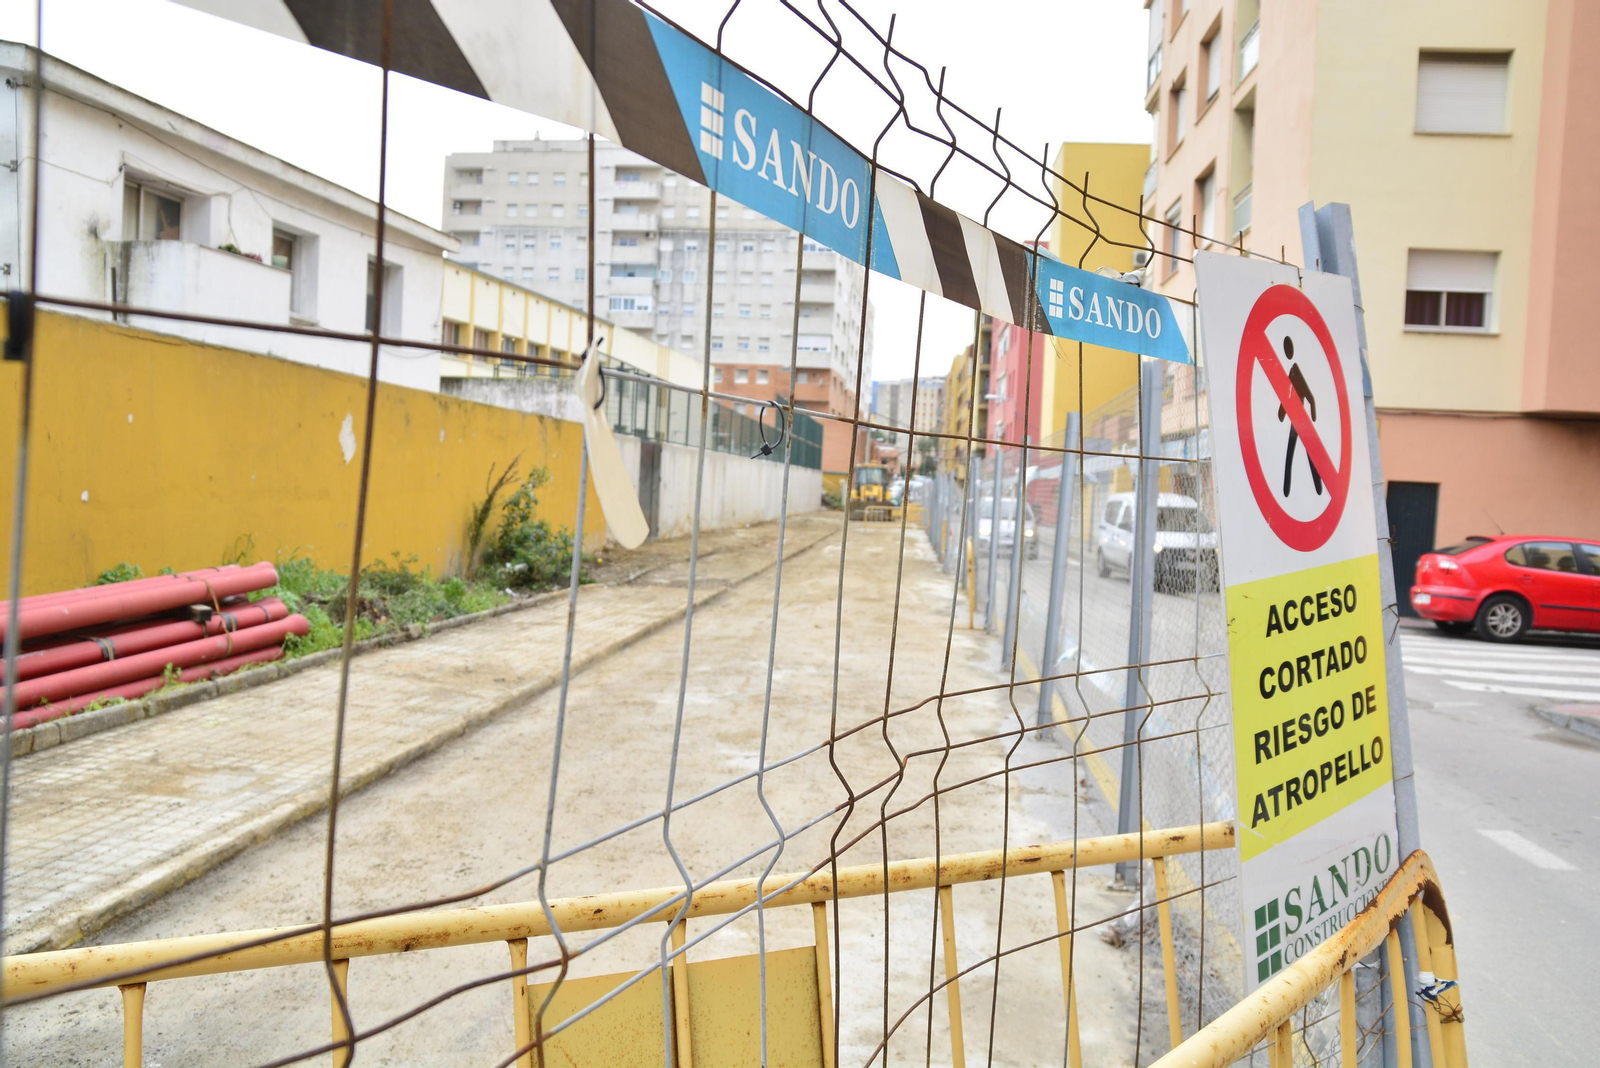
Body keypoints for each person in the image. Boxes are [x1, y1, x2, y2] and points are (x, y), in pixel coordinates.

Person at [1278, 336, 1323, 497]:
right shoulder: (1291, 371)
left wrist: (1313, 414)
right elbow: (1287, 397)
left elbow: (1307, 396)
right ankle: (1288, 489)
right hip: (1296, 422)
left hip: (1301, 422)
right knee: (1295, 453)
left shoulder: (1295, 370)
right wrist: (1282, 414)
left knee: (1301, 454)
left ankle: (1317, 487)